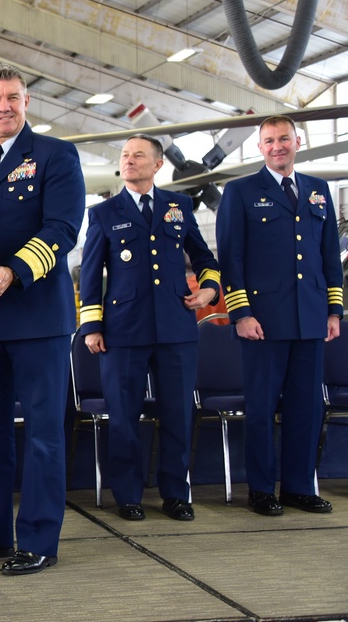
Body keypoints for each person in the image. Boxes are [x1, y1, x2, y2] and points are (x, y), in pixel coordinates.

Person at [0, 65, 84, 576]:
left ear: (27, 101)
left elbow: (63, 227)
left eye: (12, 97)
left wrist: (15, 270)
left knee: (44, 434)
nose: (3, 106)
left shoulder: (54, 155)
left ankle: (40, 539)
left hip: (37, 318)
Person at [78, 134, 220, 522]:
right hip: (123, 330)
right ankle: (128, 494)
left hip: (176, 328)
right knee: (124, 416)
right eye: (124, 155)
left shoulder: (179, 206)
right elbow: (90, 274)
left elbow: (203, 255)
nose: (129, 161)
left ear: (158, 164)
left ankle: (176, 493)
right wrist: (92, 324)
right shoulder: (104, 213)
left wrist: (209, 287)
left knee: (177, 414)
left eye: (138, 155)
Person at [216, 115, 343, 516]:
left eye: (283, 139)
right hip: (262, 322)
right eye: (269, 140)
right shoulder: (239, 192)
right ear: (260, 147)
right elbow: (230, 258)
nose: (277, 146)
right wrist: (240, 313)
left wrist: (334, 309)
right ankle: (260, 489)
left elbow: (328, 258)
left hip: (310, 318)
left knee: (307, 408)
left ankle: (299, 487)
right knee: (261, 407)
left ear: (297, 142)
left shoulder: (319, 190)